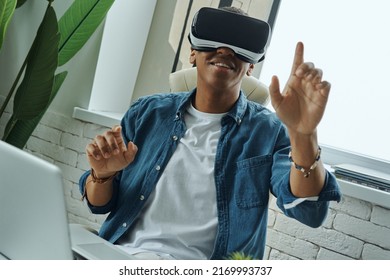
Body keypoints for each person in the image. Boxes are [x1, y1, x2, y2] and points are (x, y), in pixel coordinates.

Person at [79, 6, 341, 260]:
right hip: (118, 257)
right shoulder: (146, 113)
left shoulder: (269, 133)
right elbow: (98, 204)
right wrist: (102, 175)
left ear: (251, 66)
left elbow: (310, 212)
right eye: (214, 38)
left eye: (240, 44)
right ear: (192, 53)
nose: (225, 50)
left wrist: (303, 135)